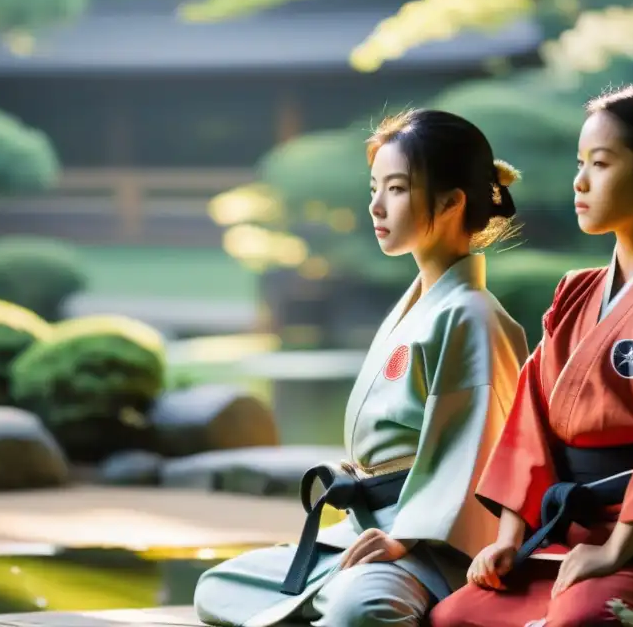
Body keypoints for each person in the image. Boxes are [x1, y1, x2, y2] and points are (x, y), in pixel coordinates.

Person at [193, 109, 531, 627]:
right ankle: (329, 598)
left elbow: (480, 453)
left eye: (395, 189)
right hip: (368, 526)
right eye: (374, 187)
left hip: (426, 542)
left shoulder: (472, 314)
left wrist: (406, 535)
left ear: (450, 201)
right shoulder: (423, 304)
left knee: (364, 609)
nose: (375, 205)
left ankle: (344, 602)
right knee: (219, 587)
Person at [429, 85, 633, 627]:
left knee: (581, 622)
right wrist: (510, 537)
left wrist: (615, 550)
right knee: (451, 619)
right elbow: (530, 416)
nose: (579, 181)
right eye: (580, 163)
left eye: (599, 164)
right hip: (564, 532)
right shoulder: (575, 292)